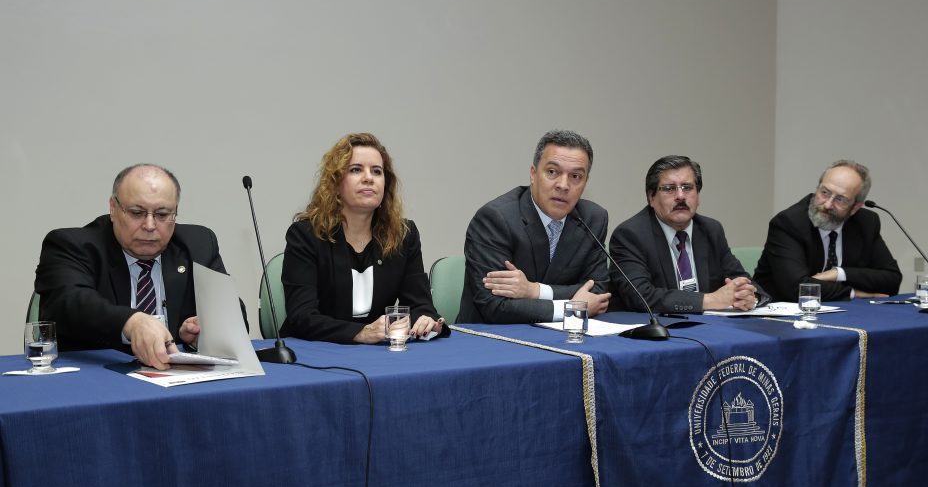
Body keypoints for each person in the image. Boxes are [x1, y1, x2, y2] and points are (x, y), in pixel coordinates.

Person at [34, 163, 246, 370]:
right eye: (137, 212)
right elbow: (67, 303)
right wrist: (131, 322)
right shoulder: (72, 245)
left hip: (177, 378)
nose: (150, 225)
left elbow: (234, 317)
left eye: (162, 214)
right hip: (96, 377)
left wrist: (205, 332)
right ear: (113, 208)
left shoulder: (198, 243)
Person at [280, 132, 447, 344]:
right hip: (313, 353)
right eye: (356, 170)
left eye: (376, 171)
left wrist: (425, 321)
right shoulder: (306, 235)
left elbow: (420, 304)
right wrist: (360, 333)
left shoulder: (403, 235)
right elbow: (302, 317)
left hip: (377, 353)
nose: (368, 178)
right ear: (336, 184)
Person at [458, 129, 611, 324]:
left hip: (562, 338)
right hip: (492, 339)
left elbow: (597, 290)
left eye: (575, 176)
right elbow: (494, 306)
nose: (563, 185)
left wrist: (534, 290)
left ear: (585, 182)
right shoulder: (495, 219)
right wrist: (570, 309)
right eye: (552, 172)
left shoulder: (592, 219)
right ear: (533, 174)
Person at [609, 155, 768, 314]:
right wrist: (710, 300)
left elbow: (743, 280)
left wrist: (749, 296)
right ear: (651, 197)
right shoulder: (631, 235)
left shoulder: (711, 230)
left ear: (698, 195)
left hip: (709, 328)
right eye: (669, 188)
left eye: (687, 187)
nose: (680, 196)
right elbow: (641, 296)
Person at [753, 159, 902, 302]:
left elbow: (892, 280)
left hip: (843, 314)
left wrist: (839, 273)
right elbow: (797, 288)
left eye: (840, 199)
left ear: (855, 207)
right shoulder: (789, 223)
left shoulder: (866, 223)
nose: (828, 204)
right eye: (824, 192)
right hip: (782, 316)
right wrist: (853, 293)